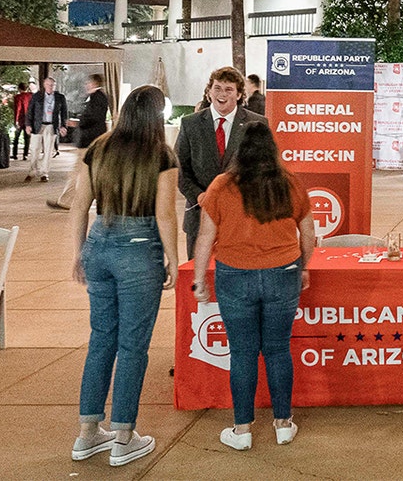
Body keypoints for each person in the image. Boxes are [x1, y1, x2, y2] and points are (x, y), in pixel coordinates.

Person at [69, 85, 179, 467]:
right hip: (139, 248)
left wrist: (78, 252)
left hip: (98, 243)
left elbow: (80, 206)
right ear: (155, 116)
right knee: (133, 345)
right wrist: (173, 259)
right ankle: (124, 436)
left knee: (101, 339)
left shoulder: (98, 147)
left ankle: (87, 433)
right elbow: (165, 214)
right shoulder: (162, 155)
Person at [192, 121, 313, 451]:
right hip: (283, 273)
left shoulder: (220, 186)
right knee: (278, 349)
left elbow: (205, 237)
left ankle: (242, 429)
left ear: (238, 150)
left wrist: (198, 279)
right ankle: (284, 423)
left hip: (235, 275)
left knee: (243, 353)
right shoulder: (289, 184)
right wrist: (303, 267)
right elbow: (309, 233)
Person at [176, 67, 266, 260]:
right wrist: (199, 196)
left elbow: (264, 169)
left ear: (239, 94)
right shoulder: (190, 124)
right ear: (209, 92)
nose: (222, 94)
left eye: (228, 89)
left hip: (242, 220)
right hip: (199, 216)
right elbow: (180, 169)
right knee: (198, 279)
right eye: (217, 88)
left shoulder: (257, 124)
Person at [52, 74, 110, 210]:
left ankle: (67, 201)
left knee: (78, 171)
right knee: (87, 172)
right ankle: (70, 200)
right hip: (92, 140)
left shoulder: (97, 97)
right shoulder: (99, 97)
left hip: (89, 140)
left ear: (94, 83)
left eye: (88, 83)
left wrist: (77, 122)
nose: (86, 85)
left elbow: (93, 117)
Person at [24, 76, 68, 182]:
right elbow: (30, 111)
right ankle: (32, 171)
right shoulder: (37, 96)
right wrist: (28, 124)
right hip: (37, 125)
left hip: (51, 125)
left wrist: (63, 126)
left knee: (48, 151)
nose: (50, 87)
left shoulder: (60, 97)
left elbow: (64, 113)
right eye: (48, 84)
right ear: (44, 85)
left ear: (55, 86)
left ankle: (44, 173)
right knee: (34, 149)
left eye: (52, 85)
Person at [11, 82, 32, 160]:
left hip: (20, 120)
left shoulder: (17, 97)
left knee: (16, 138)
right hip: (28, 120)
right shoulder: (30, 96)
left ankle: (15, 154)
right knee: (27, 138)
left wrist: (16, 120)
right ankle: (25, 155)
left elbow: (18, 109)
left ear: (19, 88)